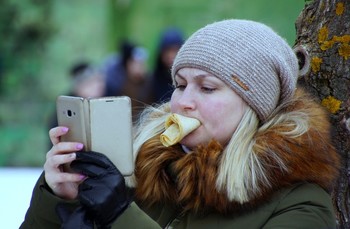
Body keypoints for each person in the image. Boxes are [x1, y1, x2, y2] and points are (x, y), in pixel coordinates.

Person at [21, 19, 341, 228]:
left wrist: (121, 216)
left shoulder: (302, 205)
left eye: (207, 87)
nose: (183, 102)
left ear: (257, 104)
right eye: (180, 84)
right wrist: (58, 196)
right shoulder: (144, 170)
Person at [101, 40, 153, 122]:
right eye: (136, 63)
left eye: (142, 63)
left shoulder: (148, 82)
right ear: (128, 64)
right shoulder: (116, 84)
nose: (141, 67)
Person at [152, 27, 184, 103]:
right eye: (168, 51)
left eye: (175, 50)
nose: (171, 55)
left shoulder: (187, 78)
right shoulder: (153, 80)